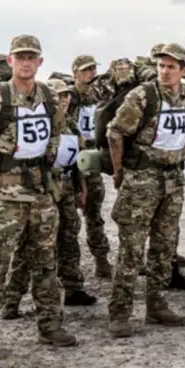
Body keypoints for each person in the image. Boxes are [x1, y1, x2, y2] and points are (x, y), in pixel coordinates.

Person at [0, 34, 78, 365]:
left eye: (31, 57)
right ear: (10, 62)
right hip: (2, 196)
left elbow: (55, 136)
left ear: (40, 62)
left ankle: (50, 326)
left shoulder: (49, 97)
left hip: (40, 193)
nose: (25, 62)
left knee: (45, 262)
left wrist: (48, 175)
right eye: (19, 56)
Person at [105, 42, 185, 337]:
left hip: (172, 181)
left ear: (183, 71)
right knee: (132, 249)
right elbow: (115, 132)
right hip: (141, 179)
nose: (165, 71)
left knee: (164, 247)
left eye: (172, 67)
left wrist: (178, 160)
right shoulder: (143, 95)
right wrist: (120, 171)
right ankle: (120, 313)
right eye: (161, 65)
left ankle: (157, 306)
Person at [0, 79, 97, 319]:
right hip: (42, 187)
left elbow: (78, 161)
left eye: (66, 96)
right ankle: (12, 299)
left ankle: (73, 287)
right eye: (59, 96)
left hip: (66, 186)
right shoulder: (40, 122)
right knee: (28, 246)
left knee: (69, 237)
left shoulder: (72, 126)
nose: (64, 100)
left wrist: (81, 188)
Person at [71, 54, 113, 280]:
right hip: (72, 160)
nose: (91, 73)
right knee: (68, 217)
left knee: (94, 213)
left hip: (92, 159)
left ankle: (101, 260)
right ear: (75, 72)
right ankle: (69, 266)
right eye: (86, 70)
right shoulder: (70, 98)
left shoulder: (99, 95)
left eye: (93, 69)